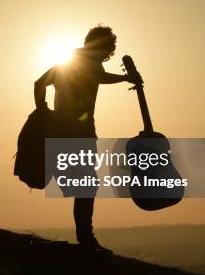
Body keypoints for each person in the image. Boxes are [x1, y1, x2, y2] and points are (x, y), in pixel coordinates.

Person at [34, 25, 141, 248]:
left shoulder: (68, 60)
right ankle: (85, 237)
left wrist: (43, 110)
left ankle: (85, 236)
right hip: (76, 131)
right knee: (87, 185)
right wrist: (125, 78)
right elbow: (99, 76)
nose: (106, 55)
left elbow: (39, 84)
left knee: (84, 184)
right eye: (106, 49)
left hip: (68, 129)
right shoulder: (85, 62)